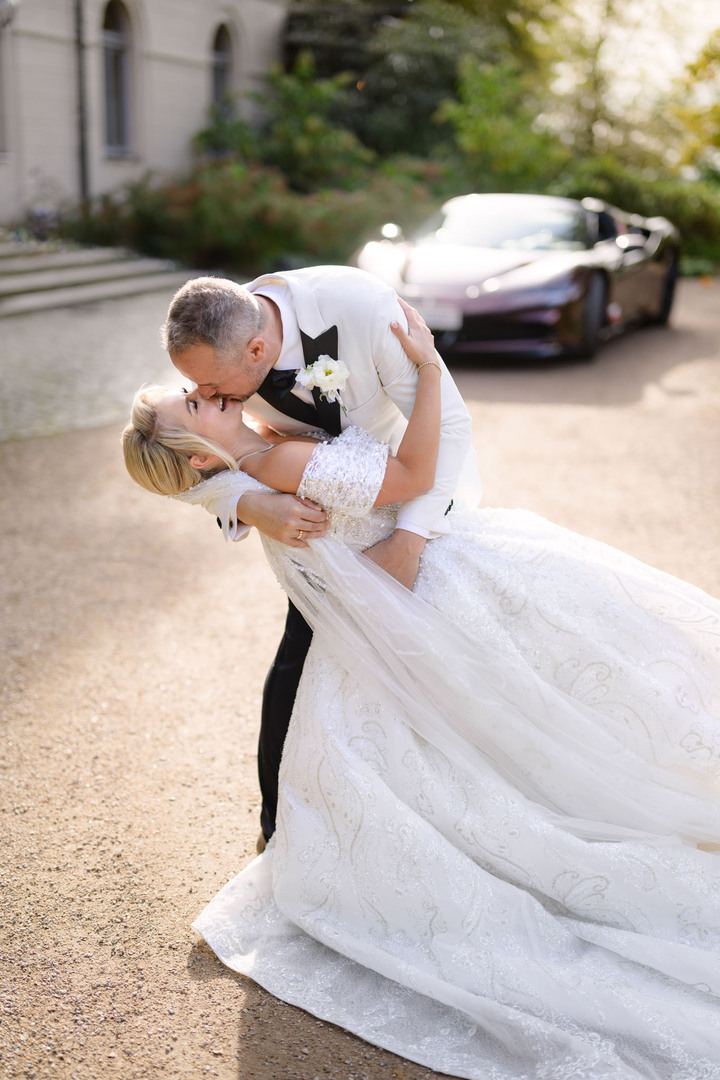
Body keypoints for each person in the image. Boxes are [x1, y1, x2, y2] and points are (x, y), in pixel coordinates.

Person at [123, 304, 720, 1079]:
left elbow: (202, 466)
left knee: (543, 694)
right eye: (196, 403)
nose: (207, 393)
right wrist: (431, 371)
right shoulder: (266, 466)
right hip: (429, 574)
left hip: (402, 573)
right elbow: (410, 475)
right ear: (202, 452)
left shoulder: (257, 445)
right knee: (574, 675)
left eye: (202, 388)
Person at [160, 268, 480, 849]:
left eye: (212, 388)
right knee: (302, 669)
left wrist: (409, 538)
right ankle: (281, 827)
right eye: (197, 391)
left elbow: (451, 428)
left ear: (257, 349)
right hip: (327, 545)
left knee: (438, 670)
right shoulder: (211, 359)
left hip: (404, 509)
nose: (206, 396)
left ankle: (443, 818)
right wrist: (251, 502)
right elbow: (170, 452)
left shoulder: (365, 313)